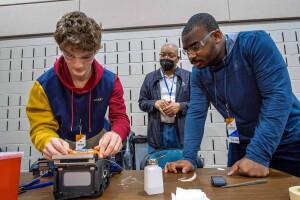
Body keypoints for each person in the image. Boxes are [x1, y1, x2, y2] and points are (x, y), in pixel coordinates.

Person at [164, 13, 300, 177]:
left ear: (216, 36)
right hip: (241, 143)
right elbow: (196, 112)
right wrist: (188, 158)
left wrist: (258, 153)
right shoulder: (199, 73)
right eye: (187, 50)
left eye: (196, 46)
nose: (191, 56)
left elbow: (278, 97)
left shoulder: (254, 43)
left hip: (288, 139)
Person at [26, 11, 130, 160]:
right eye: (69, 55)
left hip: (99, 151)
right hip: (61, 152)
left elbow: (120, 117)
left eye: (86, 56)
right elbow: (40, 126)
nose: (78, 64)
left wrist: (116, 133)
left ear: (96, 50)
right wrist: (46, 140)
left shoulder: (110, 81)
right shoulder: (43, 86)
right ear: (61, 49)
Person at [138, 43, 191, 153]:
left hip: (181, 131)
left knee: (182, 165)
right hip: (157, 132)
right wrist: (155, 103)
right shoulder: (150, 78)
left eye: (171, 55)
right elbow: (142, 102)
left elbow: (197, 103)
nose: (166, 57)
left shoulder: (189, 77)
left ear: (178, 58)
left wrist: (180, 106)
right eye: (163, 54)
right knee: (157, 166)